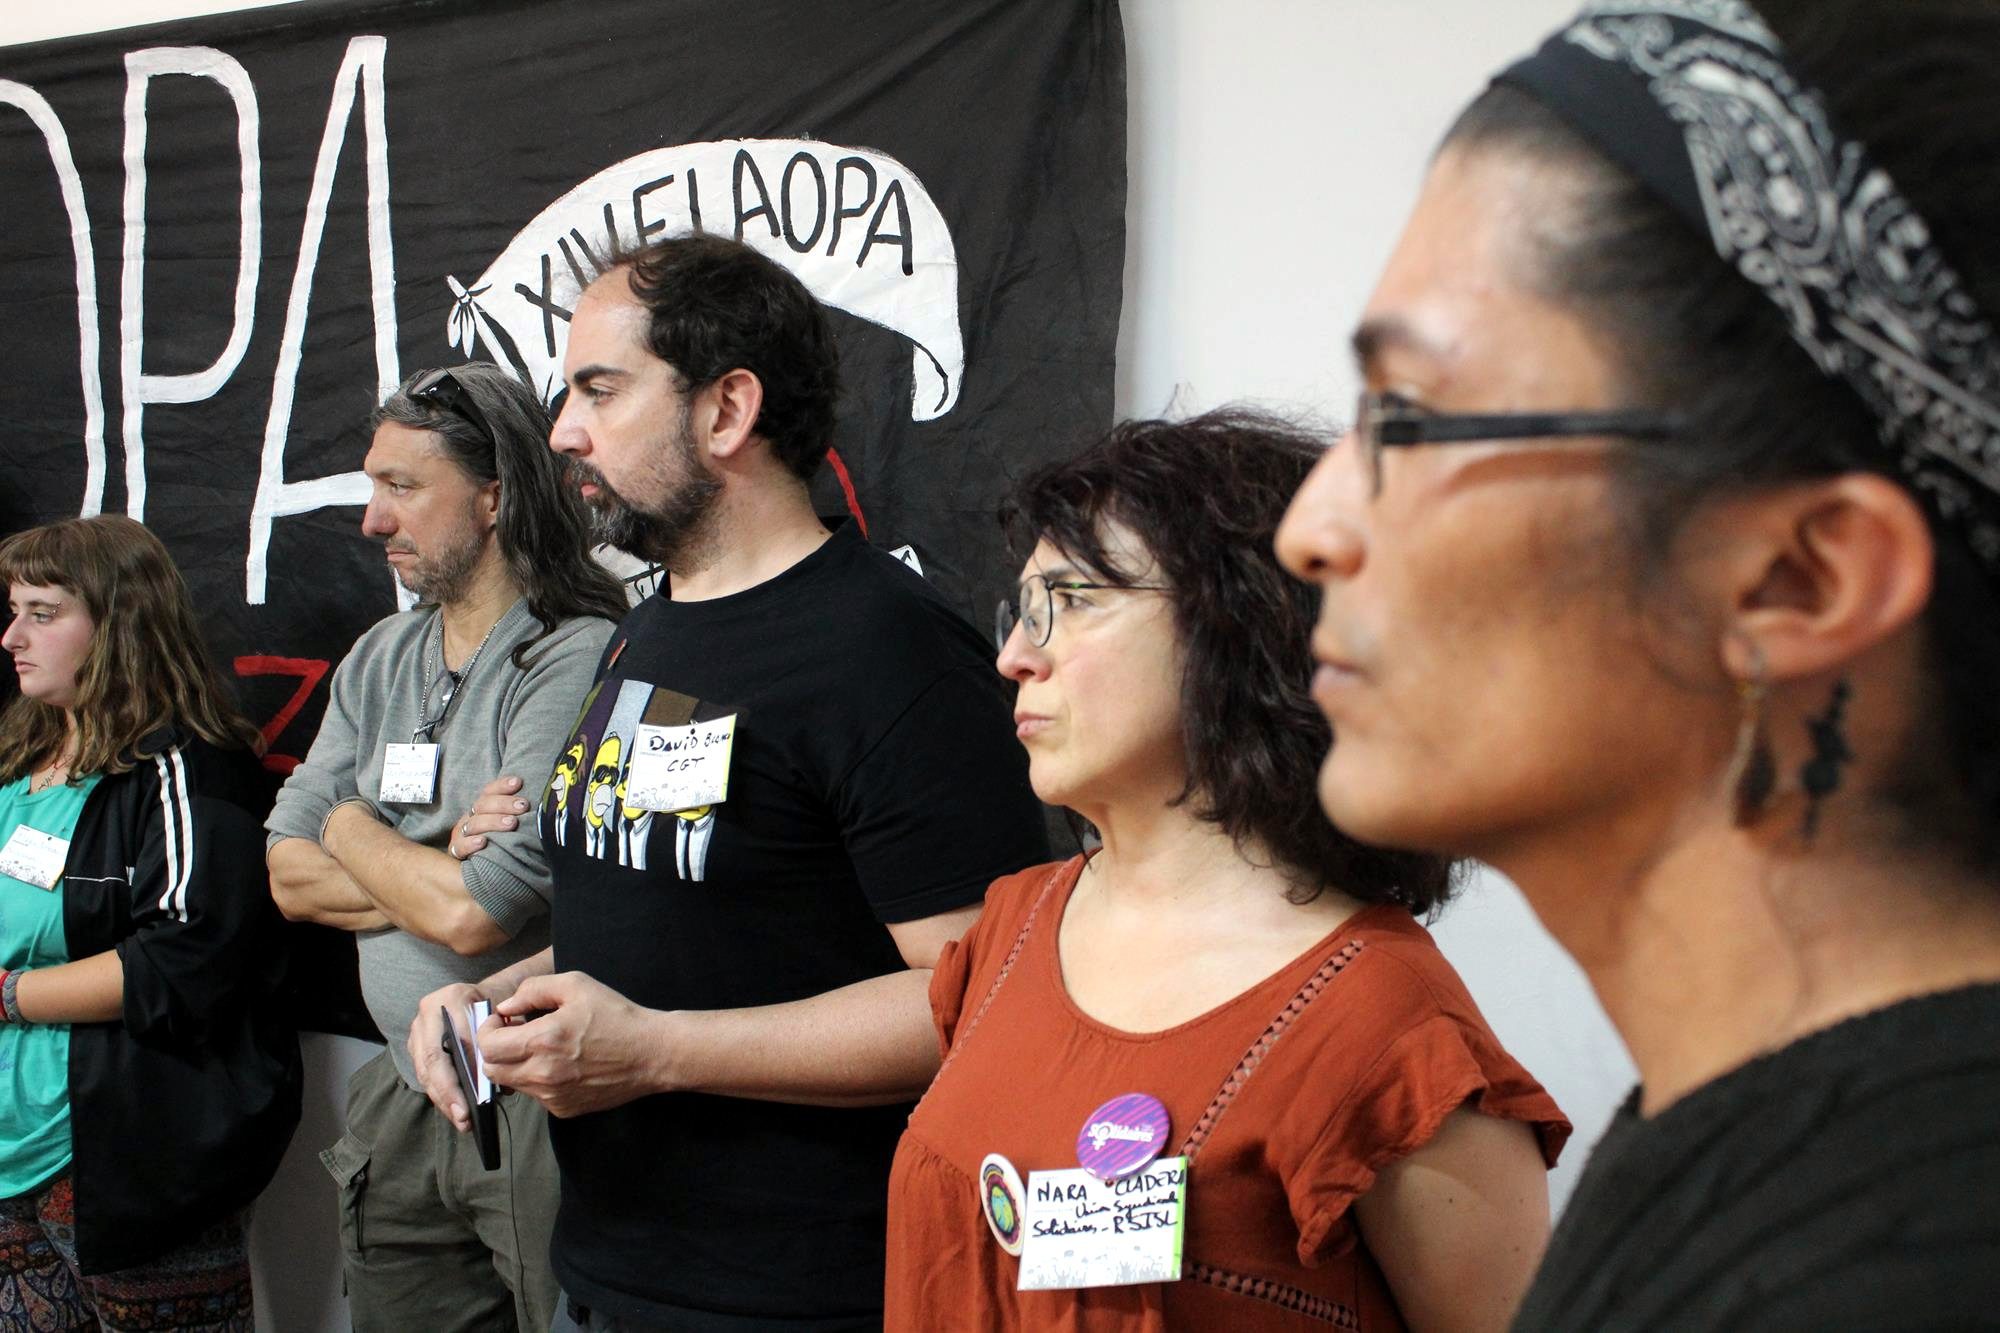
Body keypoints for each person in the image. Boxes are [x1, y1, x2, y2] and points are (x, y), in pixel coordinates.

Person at [1275, 1, 2000, 1327]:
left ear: (1796, 579)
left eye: (1410, 420)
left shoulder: (1895, 1268)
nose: (1308, 530)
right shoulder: (1743, 1140)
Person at [411, 234, 1051, 1331]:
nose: (563, 431)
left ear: (726, 411)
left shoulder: (889, 652)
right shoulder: (647, 626)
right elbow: (683, 915)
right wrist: (502, 995)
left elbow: (976, 998)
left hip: (799, 1295)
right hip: (607, 1272)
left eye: (599, 390)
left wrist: (655, 1053)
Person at [885, 412, 1568, 1331]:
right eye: (1024, 609)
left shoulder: (1383, 1027)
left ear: (1247, 623)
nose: (1015, 656)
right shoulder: (1014, 927)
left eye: (1073, 599)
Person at [266, 363, 625, 1332]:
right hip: (399, 1085)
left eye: (402, 486)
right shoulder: (381, 655)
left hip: (532, 1088)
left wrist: (348, 821)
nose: (372, 520)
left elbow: (477, 915)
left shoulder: (573, 650)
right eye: (373, 487)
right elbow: (286, 874)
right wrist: (429, 858)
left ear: (494, 496)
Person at [0, 515, 300, 1330]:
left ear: (118, 624)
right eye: (15, 611)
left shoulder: (189, 770)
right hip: (12, 1153)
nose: (11, 637)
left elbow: (184, 961)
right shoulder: (20, 755)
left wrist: (10, 995)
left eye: (42, 613)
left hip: (127, 1156)